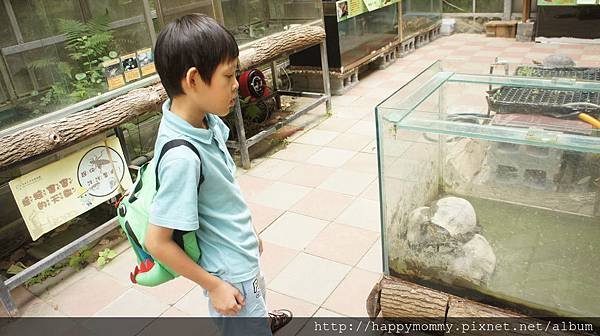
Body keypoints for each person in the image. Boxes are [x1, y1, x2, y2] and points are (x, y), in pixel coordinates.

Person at [144, 13, 291, 334]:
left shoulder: (203, 122)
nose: (236, 85)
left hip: (239, 257)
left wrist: (248, 232)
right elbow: (157, 242)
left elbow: (223, 192)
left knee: (255, 306)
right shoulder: (182, 157)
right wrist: (214, 287)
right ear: (193, 80)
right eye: (228, 76)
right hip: (229, 275)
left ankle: (260, 314)